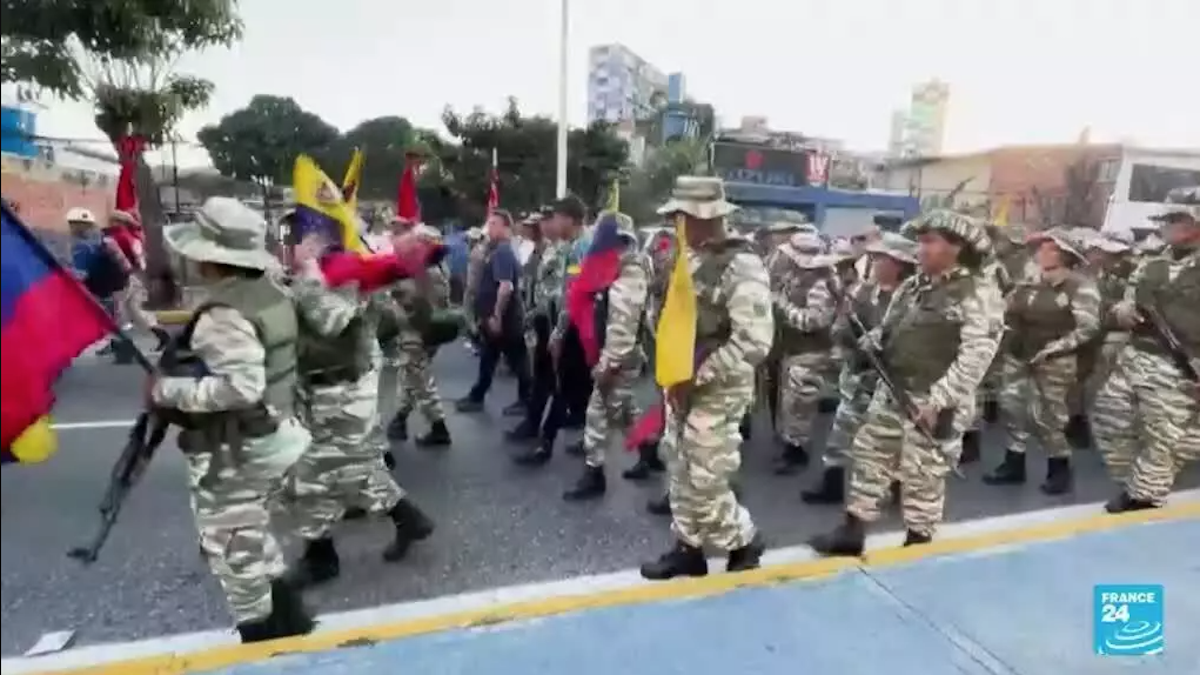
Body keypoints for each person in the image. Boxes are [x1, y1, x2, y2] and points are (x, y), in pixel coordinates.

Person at [149, 197, 314, 643]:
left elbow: (242, 387)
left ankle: (263, 641)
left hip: (240, 447)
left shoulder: (223, 313)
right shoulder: (271, 291)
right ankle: (291, 624)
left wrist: (168, 390)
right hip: (278, 432)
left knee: (233, 549)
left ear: (209, 257)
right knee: (252, 533)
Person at [810, 210, 1004, 555]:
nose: (921, 249)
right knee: (870, 459)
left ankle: (918, 543)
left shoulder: (977, 293)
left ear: (956, 248)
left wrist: (939, 401)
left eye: (930, 242)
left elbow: (977, 356)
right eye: (921, 241)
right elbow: (891, 326)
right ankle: (851, 532)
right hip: (892, 391)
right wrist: (873, 340)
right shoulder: (913, 286)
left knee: (922, 476)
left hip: (934, 400)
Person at [277, 215, 440, 587]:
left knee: (313, 473)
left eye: (296, 239)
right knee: (347, 468)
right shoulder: (325, 272)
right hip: (323, 388)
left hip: (341, 389)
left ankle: (322, 558)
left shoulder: (341, 272)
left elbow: (332, 321)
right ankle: (408, 520)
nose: (289, 246)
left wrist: (306, 274)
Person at [640, 177, 770, 581]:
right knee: (679, 466)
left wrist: (698, 375)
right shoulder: (688, 257)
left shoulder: (741, 264)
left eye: (683, 216)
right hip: (681, 381)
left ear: (705, 217)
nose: (678, 223)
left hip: (718, 385)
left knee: (707, 474)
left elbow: (754, 340)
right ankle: (688, 548)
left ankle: (743, 539)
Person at [1094, 204, 1199, 513]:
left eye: (1175, 220)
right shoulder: (1150, 263)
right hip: (1136, 355)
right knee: (1108, 419)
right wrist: (1119, 311)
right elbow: (1122, 303)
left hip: (1183, 364)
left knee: (1164, 433)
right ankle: (1138, 480)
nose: (1165, 225)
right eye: (1164, 220)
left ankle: (1145, 495)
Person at [802, 232, 918, 505]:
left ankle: (898, 487)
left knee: (894, 439)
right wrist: (848, 334)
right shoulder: (863, 292)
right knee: (841, 432)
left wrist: (881, 341)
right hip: (858, 377)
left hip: (893, 381)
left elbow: (914, 337)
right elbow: (840, 330)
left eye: (881, 258)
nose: (875, 263)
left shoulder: (913, 299)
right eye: (875, 257)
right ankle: (831, 485)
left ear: (898, 264)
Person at [983, 227, 1101, 494]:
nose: (1042, 252)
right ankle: (1014, 464)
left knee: (1049, 417)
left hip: (1055, 361)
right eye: (1042, 247)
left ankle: (1059, 469)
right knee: (1012, 408)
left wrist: (1055, 348)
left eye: (1051, 248)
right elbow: (1003, 310)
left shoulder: (1080, 286)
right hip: (1020, 355)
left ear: (1066, 255)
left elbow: (1088, 327)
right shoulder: (1029, 283)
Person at [559, 212, 651, 501]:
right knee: (624, 412)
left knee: (597, 413)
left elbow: (623, 324)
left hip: (620, 358)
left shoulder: (629, 271)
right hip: (619, 355)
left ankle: (594, 473)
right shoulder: (617, 268)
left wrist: (608, 364)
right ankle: (649, 452)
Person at [768, 230, 837, 475]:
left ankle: (797, 452)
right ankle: (789, 444)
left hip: (811, 353)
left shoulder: (821, 285)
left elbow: (813, 321)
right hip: (794, 350)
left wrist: (782, 306)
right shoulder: (795, 278)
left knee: (800, 404)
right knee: (790, 404)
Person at [457, 209, 530, 411]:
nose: (489, 229)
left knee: (517, 359)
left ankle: (527, 399)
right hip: (496, 317)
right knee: (489, 357)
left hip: (505, 318)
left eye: (494, 224)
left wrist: (497, 315)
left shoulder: (503, 252)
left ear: (506, 227)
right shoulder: (497, 250)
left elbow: (505, 287)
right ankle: (477, 396)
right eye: (489, 224)